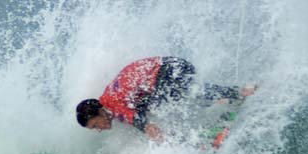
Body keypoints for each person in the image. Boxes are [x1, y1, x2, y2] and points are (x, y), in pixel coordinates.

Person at [76, 56, 254, 142]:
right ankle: (229, 97)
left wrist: (159, 138)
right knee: (164, 103)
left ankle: (239, 94)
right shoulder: (112, 99)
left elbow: (139, 121)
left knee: (175, 100)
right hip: (172, 68)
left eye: (94, 125)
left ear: (99, 112)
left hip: (168, 71)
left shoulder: (111, 104)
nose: (98, 129)